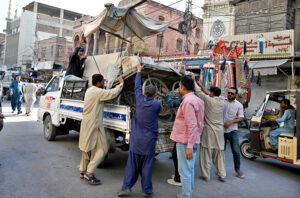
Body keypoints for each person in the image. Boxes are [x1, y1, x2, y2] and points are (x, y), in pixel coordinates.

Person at [118, 63, 161, 197]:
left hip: (136, 140)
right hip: (149, 142)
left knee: (132, 165)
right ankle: (146, 190)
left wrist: (138, 71)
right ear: (154, 95)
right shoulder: (157, 104)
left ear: (144, 93)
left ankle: (126, 187)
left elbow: (137, 86)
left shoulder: (139, 99)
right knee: (147, 166)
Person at [79, 74, 124, 185]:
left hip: (87, 123)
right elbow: (112, 94)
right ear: (98, 82)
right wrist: (121, 84)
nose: (104, 83)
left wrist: (103, 89)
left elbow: (102, 95)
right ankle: (89, 172)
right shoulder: (98, 92)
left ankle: (83, 170)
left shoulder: (90, 90)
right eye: (103, 81)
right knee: (103, 149)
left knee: (86, 147)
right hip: (94, 124)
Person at [170, 76, 204, 198]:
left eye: (179, 86)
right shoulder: (198, 100)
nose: (179, 89)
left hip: (185, 142)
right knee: (189, 170)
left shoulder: (188, 102)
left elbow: (192, 125)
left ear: (183, 87)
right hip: (192, 140)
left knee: (184, 171)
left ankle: (185, 196)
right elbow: (200, 124)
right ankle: (187, 193)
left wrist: (189, 145)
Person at [194, 81, 226, 182]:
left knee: (206, 153)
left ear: (211, 93)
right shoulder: (222, 102)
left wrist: (194, 81)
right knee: (219, 154)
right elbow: (208, 93)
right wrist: (202, 85)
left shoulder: (208, 100)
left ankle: (206, 175)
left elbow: (199, 92)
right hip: (220, 132)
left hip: (209, 131)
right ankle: (222, 174)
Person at [161, 87, 182, 187]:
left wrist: (168, 94)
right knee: (178, 155)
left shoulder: (185, 100)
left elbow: (171, 104)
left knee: (177, 155)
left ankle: (179, 179)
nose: (179, 89)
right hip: (187, 135)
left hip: (183, 135)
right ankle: (180, 175)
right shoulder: (196, 98)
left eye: (180, 86)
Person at [223, 87, 245, 179]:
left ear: (235, 95)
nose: (230, 94)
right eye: (229, 93)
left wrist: (231, 122)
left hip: (233, 130)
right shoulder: (222, 101)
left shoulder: (239, 105)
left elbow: (241, 118)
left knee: (236, 151)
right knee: (220, 152)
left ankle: (237, 169)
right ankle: (221, 170)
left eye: (232, 93)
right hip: (221, 130)